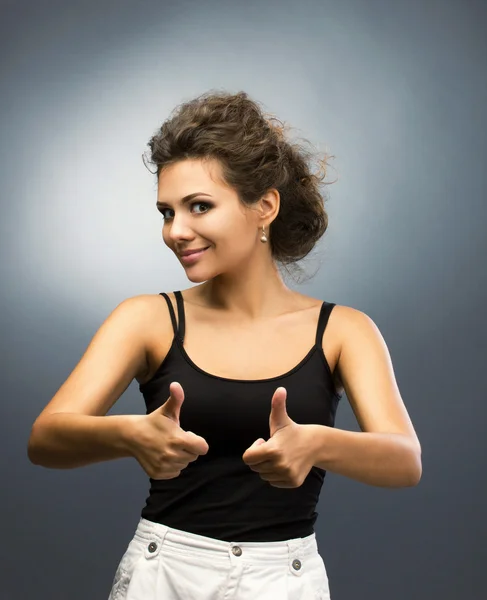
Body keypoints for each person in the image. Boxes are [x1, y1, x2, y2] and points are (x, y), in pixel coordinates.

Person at [27, 90, 422, 600]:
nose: (176, 231)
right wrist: (130, 435)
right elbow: (45, 439)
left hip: (285, 580)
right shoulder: (148, 318)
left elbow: (405, 460)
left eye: (199, 207)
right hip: (163, 574)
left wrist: (318, 443)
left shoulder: (344, 330)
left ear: (265, 207)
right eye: (166, 212)